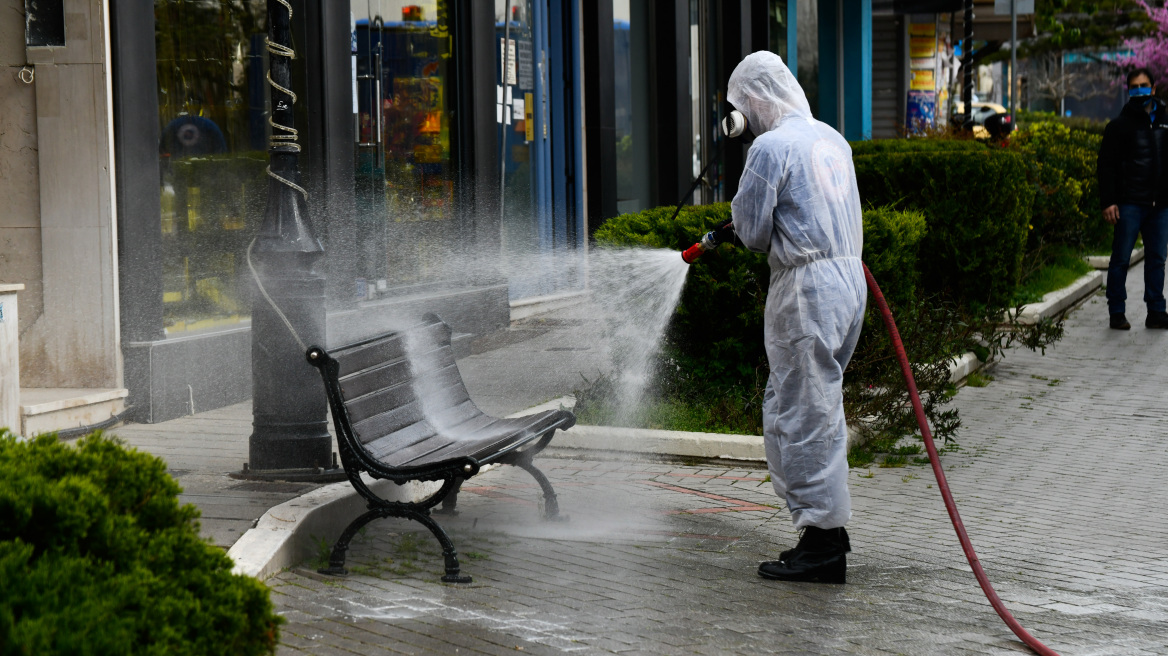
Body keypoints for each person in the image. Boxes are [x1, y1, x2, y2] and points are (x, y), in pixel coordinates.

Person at [726, 51, 866, 584]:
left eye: (739, 106)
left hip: (806, 289)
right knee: (800, 404)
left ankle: (825, 544)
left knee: (806, 412)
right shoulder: (832, 138)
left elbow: (754, 232)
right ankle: (816, 531)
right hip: (847, 281)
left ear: (754, 99)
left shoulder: (769, 147)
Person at [1098, 68, 1168, 330]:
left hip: (1160, 205)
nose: (1140, 90)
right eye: (1134, 86)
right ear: (1129, 91)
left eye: (1144, 85)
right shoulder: (1119, 126)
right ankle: (1116, 311)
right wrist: (1108, 201)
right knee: (1121, 259)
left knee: (1157, 259)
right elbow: (1106, 166)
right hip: (1129, 204)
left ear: (1153, 88)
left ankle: (1156, 311)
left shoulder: (1164, 122)